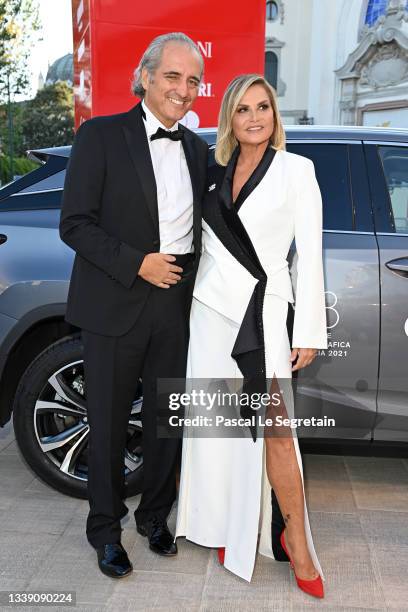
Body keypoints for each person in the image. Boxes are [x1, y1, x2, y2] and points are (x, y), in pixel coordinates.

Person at [59, 32, 208, 579]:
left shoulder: (196, 148)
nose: (183, 89)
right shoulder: (100, 136)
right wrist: (136, 262)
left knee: (168, 420)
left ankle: (154, 518)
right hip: (113, 303)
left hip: (175, 307)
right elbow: (74, 223)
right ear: (146, 76)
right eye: (173, 76)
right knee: (108, 423)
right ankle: (105, 531)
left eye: (192, 80)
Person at [175, 74, 328, 598]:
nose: (256, 117)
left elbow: (309, 254)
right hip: (211, 314)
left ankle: (299, 545)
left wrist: (307, 328)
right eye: (244, 109)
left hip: (262, 315)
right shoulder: (213, 175)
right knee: (219, 431)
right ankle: (225, 528)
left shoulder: (296, 172)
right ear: (231, 119)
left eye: (264, 106)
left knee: (277, 434)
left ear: (274, 114)